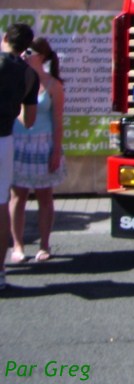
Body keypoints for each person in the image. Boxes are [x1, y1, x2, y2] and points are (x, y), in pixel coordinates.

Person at [9, 37, 66, 265]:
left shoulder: (54, 85)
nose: (24, 55)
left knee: (44, 196)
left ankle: (44, 244)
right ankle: (18, 245)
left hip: (43, 145)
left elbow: (58, 121)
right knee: (17, 196)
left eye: (29, 51)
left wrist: (55, 151)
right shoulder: (16, 81)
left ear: (41, 56)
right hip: (19, 143)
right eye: (22, 51)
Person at [0, 23, 39, 290]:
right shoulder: (29, 74)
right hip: (4, 139)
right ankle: (0, 271)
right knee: (2, 204)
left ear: (4, 38)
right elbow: (28, 120)